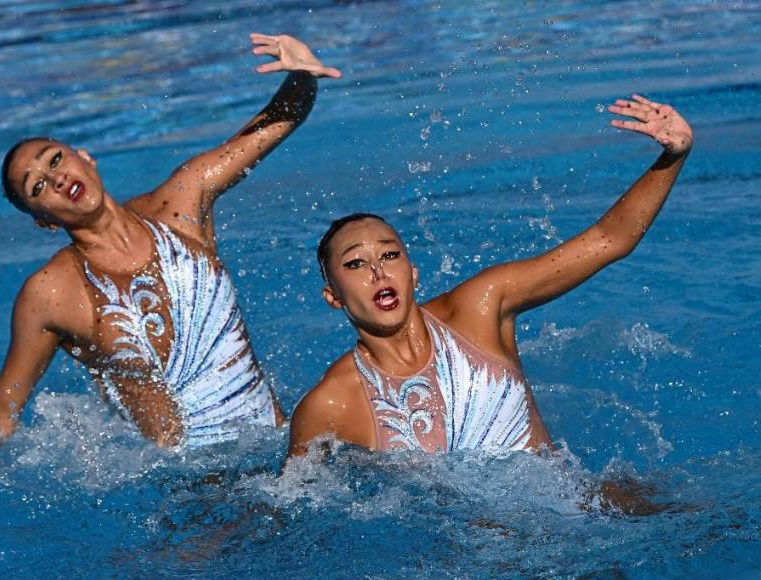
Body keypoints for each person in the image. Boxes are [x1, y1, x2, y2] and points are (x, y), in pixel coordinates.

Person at [0, 33, 342, 462]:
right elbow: (3, 410)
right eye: (38, 186)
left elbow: (276, 121)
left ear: (84, 158)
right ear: (43, 219)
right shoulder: (51, 293)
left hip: (280, 461)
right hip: (188, 490)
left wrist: (302, 76)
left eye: (55, 159)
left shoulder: (181, 202)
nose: (56, 178)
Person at [289, 95, 692, 458]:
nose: (378, 271)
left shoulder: (480, 307)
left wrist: (672, 157)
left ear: (412, 273)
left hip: (581, 515)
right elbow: (289, 509)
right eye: (356, 264)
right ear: (333, 297)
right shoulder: (331, 405)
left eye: (390, 255)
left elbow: (608, 240)